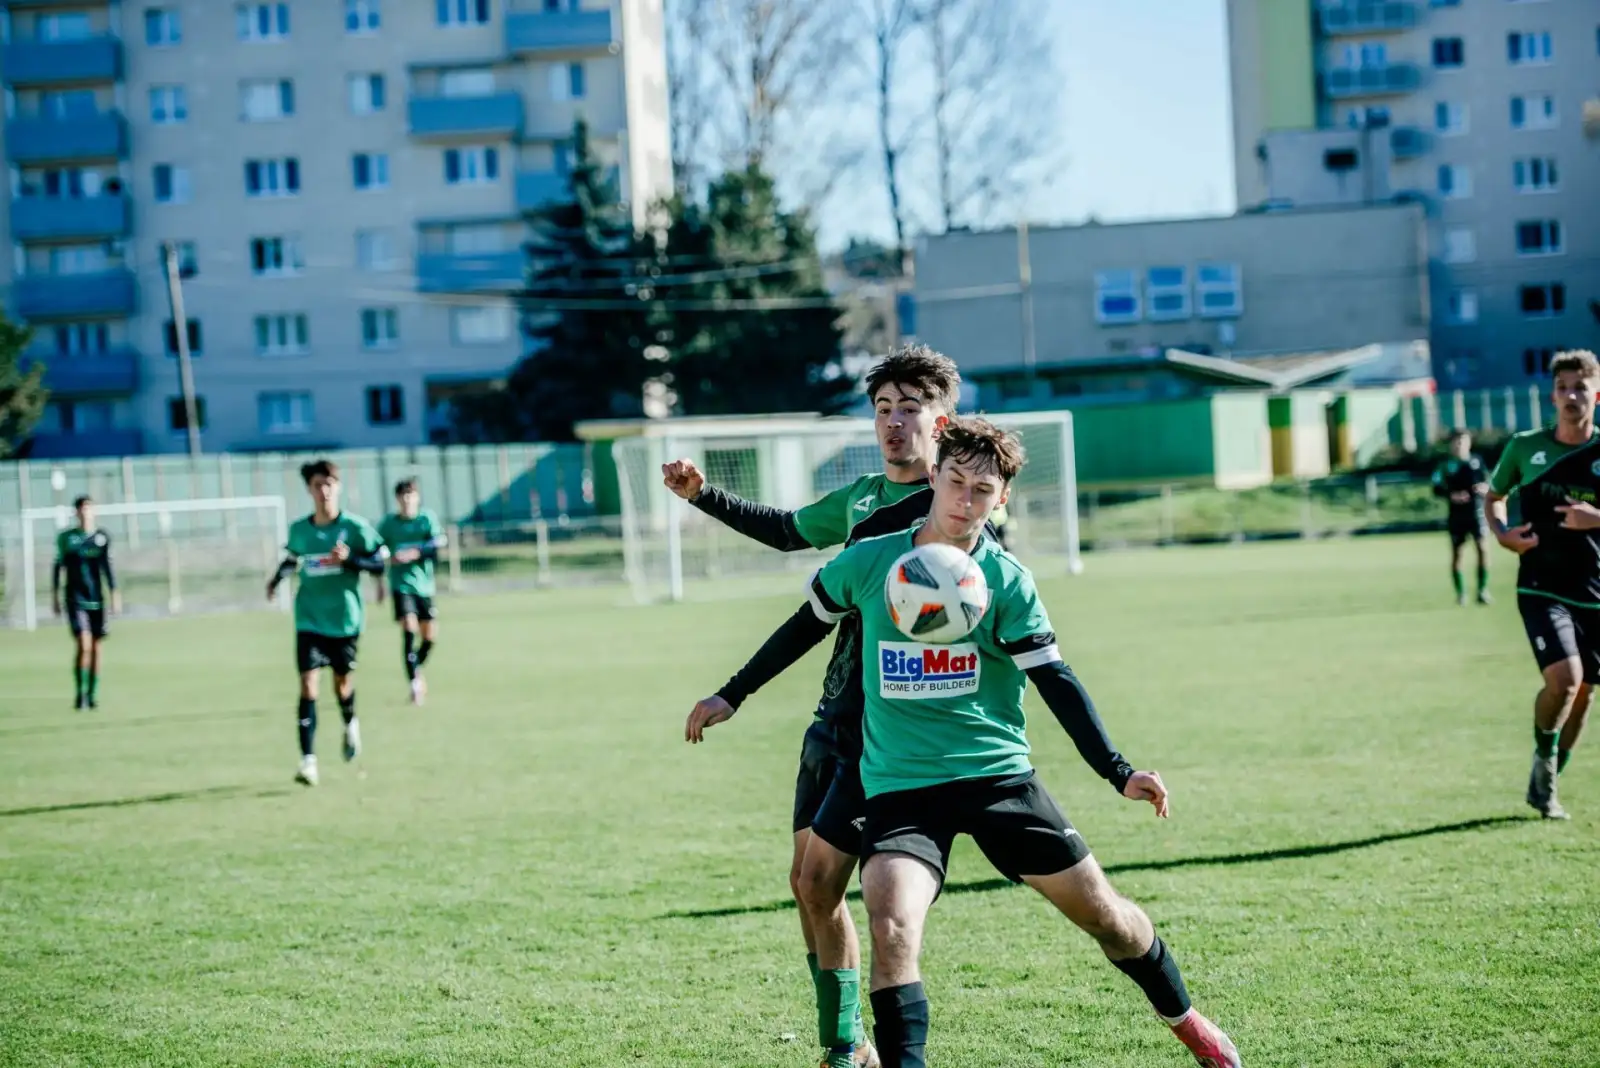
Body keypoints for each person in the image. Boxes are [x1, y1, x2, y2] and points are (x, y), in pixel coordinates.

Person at [794, 417, 1239, 1068]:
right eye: (955, 482)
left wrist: (1118, 771)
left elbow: (1056, 680)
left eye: (982, 490)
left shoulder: (1007, 581)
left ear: (1001, 499)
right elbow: (802, 623)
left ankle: (1188, 1021)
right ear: (934, 479)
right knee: (891, 927)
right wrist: (730, 694)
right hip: (902, 789)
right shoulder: (873, 561)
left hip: (999, 780)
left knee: (1108, 919)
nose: (965, 501)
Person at [672, 344, 963, 1068]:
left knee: (824, 882)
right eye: (882, 410)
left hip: (888, 726)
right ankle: (849, 1045)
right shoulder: (862, 498)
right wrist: (703, 496)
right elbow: (784, 530)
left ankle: (845, 1049)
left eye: (910, 409)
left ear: (942, 420)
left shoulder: (952, 509)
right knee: (806, 885)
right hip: (832, 714)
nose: (894, 424)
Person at [1486, 349, 1600, 820]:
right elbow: (1494, 497)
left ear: (1597, 393)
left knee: (1585, 692)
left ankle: (1546, 779)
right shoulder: (1523, 447)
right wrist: (1502, 534)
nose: (1572, 396)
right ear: (1551, 396)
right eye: (1563, 388)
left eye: (1581, 387)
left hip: (1594, 592)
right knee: (1564, 680)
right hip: (1541, 585)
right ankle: (1544, 762)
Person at [265, 460, 387, 787]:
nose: (324, 490)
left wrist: (350, 560)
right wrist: (276, 580)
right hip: (309, 619)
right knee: (308, 685)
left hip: (345, 619)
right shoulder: (300, 530)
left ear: (338, 487)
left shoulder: (356, 528)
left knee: (342, 685)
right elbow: (292, 560)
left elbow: (378, 564)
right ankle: (308, 762)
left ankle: (350, 724)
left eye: (329, 484)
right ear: (310, 489)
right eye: (318, 485)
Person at [378, 479, 447, 705]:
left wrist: (415, 553)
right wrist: (386, 562)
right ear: (397, 499)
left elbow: (438, 543)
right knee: (409, 628)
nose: (407, 499)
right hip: (401, 585)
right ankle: (415, 684)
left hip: (424, 587)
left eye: (411, 495)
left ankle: (415, 668)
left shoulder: (426, 519)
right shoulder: (389, 524)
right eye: (403, 495)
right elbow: (376, 549)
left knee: (429, 637)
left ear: (417, 497)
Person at [52, 495, 119, 710]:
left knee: (97, 649)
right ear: (77, 512)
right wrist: (54, 595)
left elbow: (107, 569)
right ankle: (79, 694)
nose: (85, 512)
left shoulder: (101, 538)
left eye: (89, 508)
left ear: (94, 511)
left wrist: (115, 592)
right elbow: (58, 567)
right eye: (82, 509)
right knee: (84, 644)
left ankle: (92, 694)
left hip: (97, 600)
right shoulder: (67, 539)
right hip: (75, 599)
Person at [1431, 429, 1491, 606]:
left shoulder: (1477, 462)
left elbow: (1489, 482)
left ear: (1469, 443)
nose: (1459, 445)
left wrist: (1485, 488)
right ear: (1451, 444)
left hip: (1477, 513)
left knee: (1483, 549)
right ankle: (1461, 593)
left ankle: (1482, 590)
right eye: (1456, 442)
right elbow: (1435, 487)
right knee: (1458, 554)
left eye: (1463, 441)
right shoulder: (1445, 465)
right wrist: (1451, 495)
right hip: (1456, 515)